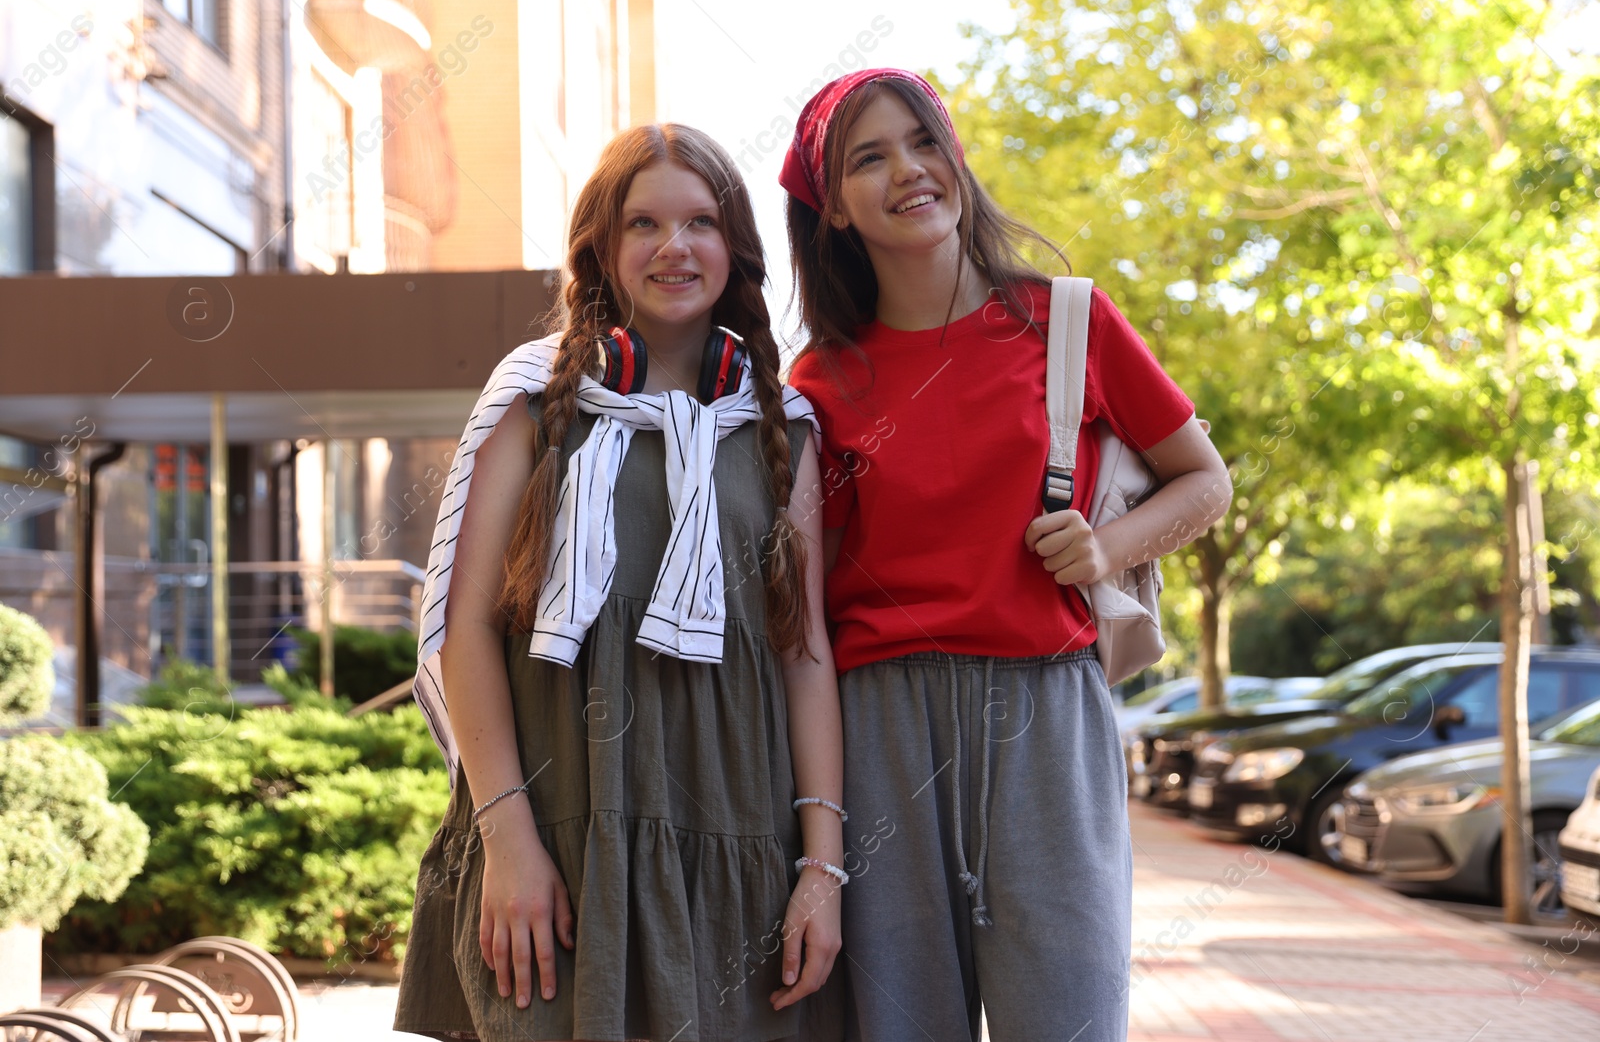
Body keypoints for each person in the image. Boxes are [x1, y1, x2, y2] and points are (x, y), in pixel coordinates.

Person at [782, 69, 1231, 1042]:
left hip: (1046, 718)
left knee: (1068, 1022)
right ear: (837, 211)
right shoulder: (818, 381)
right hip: (882, 732)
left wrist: (1105, 543)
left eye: (922, 139)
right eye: (869, 157)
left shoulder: (1066, 320)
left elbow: (1205, 480)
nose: (907, 169)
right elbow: (805, 621)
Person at [394, 122, 846, 1042]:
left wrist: (822, 869)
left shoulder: (785, 427)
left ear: (736, 247)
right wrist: (508, 839)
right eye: (644, 223)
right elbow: (461, 627)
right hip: (557, 844)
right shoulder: (531, 401)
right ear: (602, 245)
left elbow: (803, 655)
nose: (673, 247)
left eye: (701, 223)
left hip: (740, 849)